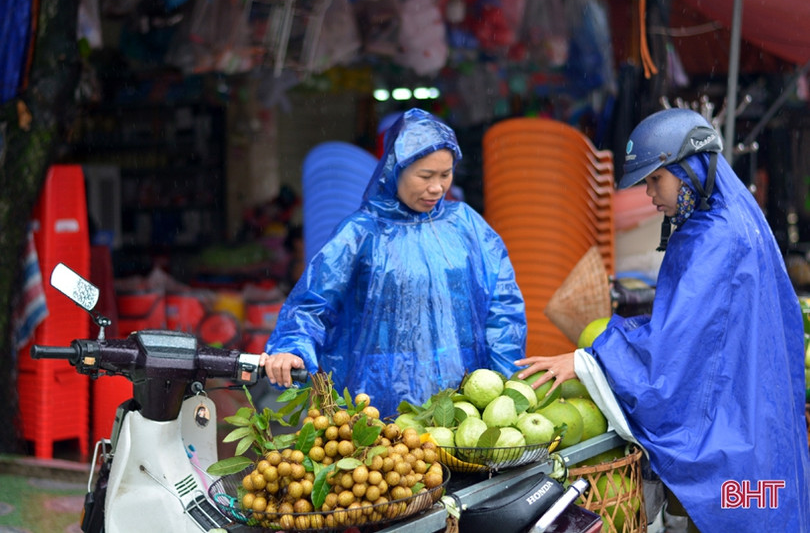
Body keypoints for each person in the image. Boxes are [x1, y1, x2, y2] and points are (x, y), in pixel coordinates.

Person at [515, 108, 810, 532]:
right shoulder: (735, 223)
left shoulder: (713, 240)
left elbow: (673, 354)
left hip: (732, 449)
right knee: (762, 507)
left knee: (730, 514)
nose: (649, 194)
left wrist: (586, 362)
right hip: (758, 439)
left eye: (656, 179)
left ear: (689, 167)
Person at [259, 108, 527, 418]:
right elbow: (313, 304)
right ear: (394, 170)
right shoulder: (361, 233)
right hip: (374, 400)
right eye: (425, 176)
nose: (437, 188)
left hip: (464, 403)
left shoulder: (467, 226)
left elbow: (502, 306)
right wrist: (292, 348)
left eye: (445, 174)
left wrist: (506, 385)